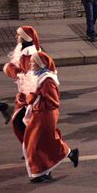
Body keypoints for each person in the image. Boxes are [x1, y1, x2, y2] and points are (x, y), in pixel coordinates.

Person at [23, 52, 79, 183]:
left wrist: (33, 100)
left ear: (40, 64)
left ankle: (43, 171)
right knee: (41, 142)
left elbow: (53, 102)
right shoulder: (40, 77)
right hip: (40, 113)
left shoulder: (47, 80)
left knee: (38, 142)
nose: (30, 64)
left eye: (33, 62)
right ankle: (49, 167)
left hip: (45, 115)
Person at [3, 26, 41, 143]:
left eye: (18, 35)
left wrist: (10, 69)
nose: (16, 37)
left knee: (19, 122)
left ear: (24, 38)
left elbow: (28, 75)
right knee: (22, 123)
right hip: (26, 94)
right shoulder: (23, 50)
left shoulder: (29, 55)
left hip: (30, 95)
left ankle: (31, 150)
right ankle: (30, 150)